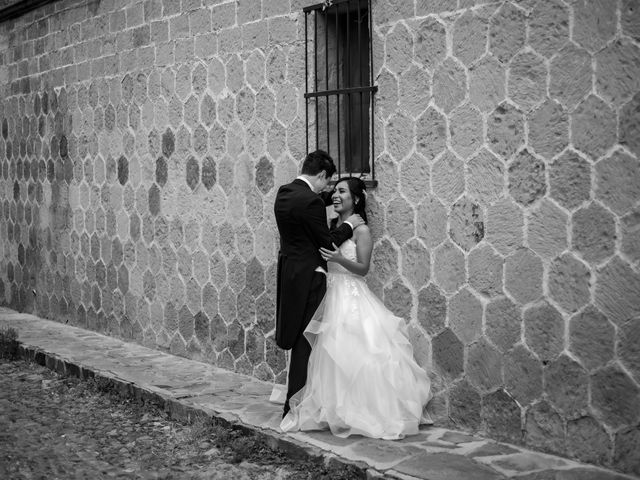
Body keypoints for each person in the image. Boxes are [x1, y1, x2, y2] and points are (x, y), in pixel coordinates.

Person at [280, 177, 432, 439]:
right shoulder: (330, 225)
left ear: (356, 199)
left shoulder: (361, 231)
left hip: (350, 294)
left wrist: (339, 258)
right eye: (334, 191)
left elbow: (363, 268)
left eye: (341, 192)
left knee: (355, 352)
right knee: (325, 354)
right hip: (327, 293)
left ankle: (359, 410)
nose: (335, 196)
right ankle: (330, 408)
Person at [274, 151, 364, 418]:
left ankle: (297, 400)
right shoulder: (311, 202)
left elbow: (311, 204)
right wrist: (348, 224)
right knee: (307, 340)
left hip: (290, 273)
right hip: (310, 278)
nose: (329, 191)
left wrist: (337, 197)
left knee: (301, 338)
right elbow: (326, 243)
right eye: (328, 183)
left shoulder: (284, 192)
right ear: (322, 175)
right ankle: (296, 405)